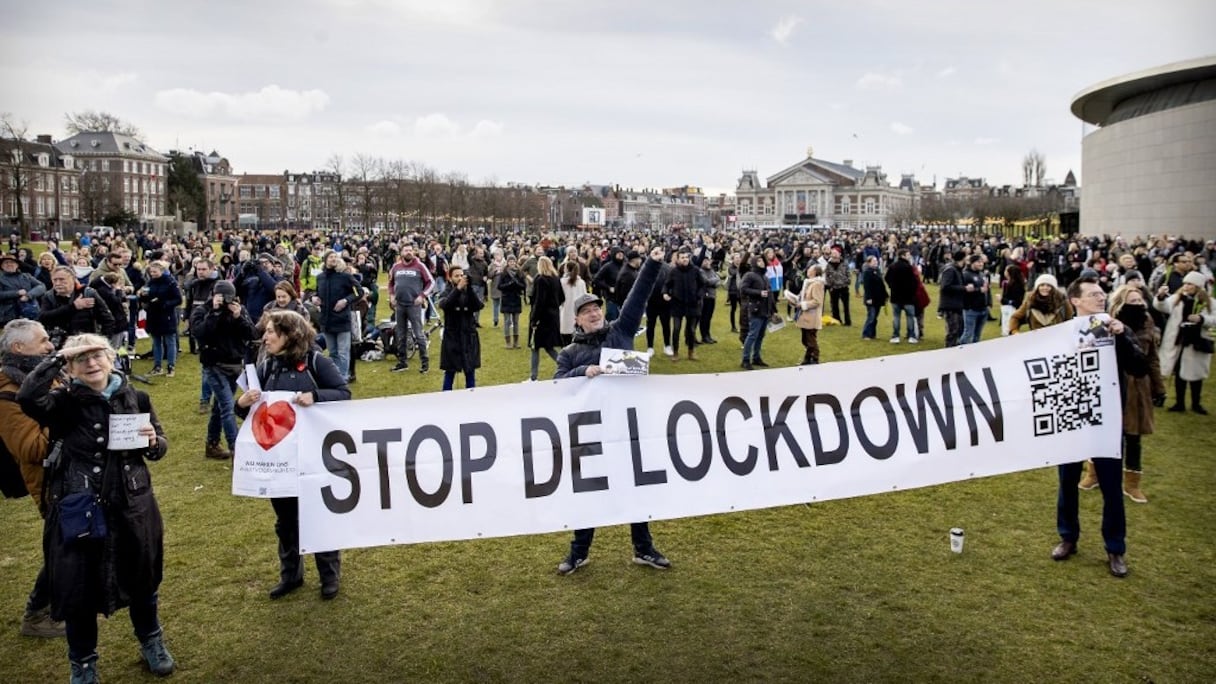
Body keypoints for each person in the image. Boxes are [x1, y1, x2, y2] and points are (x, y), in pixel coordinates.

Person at [18, 334, 174, 680]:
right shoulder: (62, 402)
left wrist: (153, 441)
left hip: (133, 503)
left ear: (110, 358)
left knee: (142, 578)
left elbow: (160, 447)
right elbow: (27, 397)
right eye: (81, 359)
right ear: (71, 368)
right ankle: (83, 662)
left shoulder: (137, 396)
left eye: (96, 356)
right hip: (80, 506)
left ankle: (151, 640)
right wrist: (59, 357)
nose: (91, 364)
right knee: (78, 588)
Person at [553, 246, 670, 575]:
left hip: (630, 426)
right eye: (586, 311)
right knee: (589, 492)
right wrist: (582, 373)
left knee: (635, 486)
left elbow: (638, 294)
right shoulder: (570, 353)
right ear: (576, 319)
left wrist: (653, 263)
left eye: (596, 308)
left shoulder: (621, 330)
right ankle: (579, 552)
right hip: (592, 432)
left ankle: (643, 548)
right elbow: (557, 386)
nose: (594, 313)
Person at [236, 310, 350, 600]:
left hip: (312, 457)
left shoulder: (316, 361)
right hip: (278, 461)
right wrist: (242, 403)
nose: (265, 337)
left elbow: (343, 394)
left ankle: (329, 575)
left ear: (289, 334)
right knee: (285, 521)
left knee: (318, 516)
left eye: (271, 332)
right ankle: (291, 575)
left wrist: (316, 397)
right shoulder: (266, 366)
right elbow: (249, 414)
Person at [1051, 277, 1147, 578]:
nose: (1100, 298)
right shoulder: (1062, 333)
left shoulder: (1115, 329)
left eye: (1102, 294)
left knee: (1110, 486)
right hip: (1071, 418)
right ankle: (1068, 537)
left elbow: (1140, 367)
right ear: (1075, 301)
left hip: (1105, 420)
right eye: (1093, 295)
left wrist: (1121, 337)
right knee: (1068, 481)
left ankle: (1115, 548)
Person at [0, 319, 65, 639]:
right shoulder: (7, 394)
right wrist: (69, 413)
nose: (50, 346)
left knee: (70, 544)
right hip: (49, 482)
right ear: (18, 348)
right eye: (42, 341)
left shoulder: (42, 374)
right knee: (64, 547)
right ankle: (37, 614)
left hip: (70, 473)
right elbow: (31, 447)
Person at [191, 280, 258, 460]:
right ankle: (237, 449)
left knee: (219, 407)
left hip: (235, 364)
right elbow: (199, 333)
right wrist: (214, 312)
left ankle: (212, 443)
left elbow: (252, 334)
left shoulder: (238, 310)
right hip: (214, 364)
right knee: (228, 406)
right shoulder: (202, 311)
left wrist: (239, 318)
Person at [1108, 285, 1161, 503]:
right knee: (1108, 432)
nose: (1138, 304)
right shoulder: (1108, 321)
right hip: (1114, 382)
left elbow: (1152, 358)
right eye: (1133, 300)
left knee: (1133, 435)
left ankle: (1132, 484)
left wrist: (1159, 386)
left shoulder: (1148, 322)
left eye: (1140, 300)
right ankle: (1094, 474)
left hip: (1138, 385)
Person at [1154, 270, 1214, 414]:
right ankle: (1179, 402)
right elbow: (1163, 307)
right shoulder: (1177, 298)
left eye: (1190, 284)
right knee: (1180, 372)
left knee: (1196, 373)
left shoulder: (1209, 302)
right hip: (1179, 339)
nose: (1186, 286)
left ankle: (1196, 403)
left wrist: (1202, 319)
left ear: (1198, 286)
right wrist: (1161, 297)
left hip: (1197, 341)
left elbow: (1214, 318)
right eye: (1185, 283)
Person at [37, 266, 115, 349]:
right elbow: (43, 318)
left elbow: (108, 320)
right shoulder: (49, 296)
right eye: (55, 280)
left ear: (73, 279)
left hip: (85, 344)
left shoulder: (88, 293)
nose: (58, 283)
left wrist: (102, 342)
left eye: (62, 279)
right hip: (59, 345)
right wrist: (73, 307)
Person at [387, 243, 434, 373]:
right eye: (406, 250)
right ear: (401, 253)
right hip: (400, 305)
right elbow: (390, 283)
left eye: (410, 250)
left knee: (419, 334)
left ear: (414, 252)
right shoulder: (395, 267)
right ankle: (402, 362)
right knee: (400, 334)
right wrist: (391, 295)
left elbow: (431, 282)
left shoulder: (420, 266)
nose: (408, 252)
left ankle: (425, 363)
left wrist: (422, 295)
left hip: (414, 305)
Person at [315, 251, 359, 383]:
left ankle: (343, 378)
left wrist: (346, 300)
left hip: (342, 320)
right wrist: (314, 298)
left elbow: (358, 292)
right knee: (332, 352)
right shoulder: (320, 277)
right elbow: (317, 292)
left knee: (343, 352)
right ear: (325, 260)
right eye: (330, 257)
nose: (333, 259)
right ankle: (335, 377)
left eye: (335, 257)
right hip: (327, 320)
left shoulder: (345, 276)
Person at [437, 265, 483, 390]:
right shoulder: (446, 291)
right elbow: (445, 304)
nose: (460, 278)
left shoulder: (468, 292)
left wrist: (469, 290)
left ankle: (471, 397)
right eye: (456, 276)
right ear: (450, 278)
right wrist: (457, 289)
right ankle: (446, 398)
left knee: (470, 372)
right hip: (453, 338)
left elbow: (478, 305)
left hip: (469, 337)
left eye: (462, 275)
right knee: (450, 373)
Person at [138, 261, 183, 377]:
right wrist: (143, 296)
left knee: (170, 341)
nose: (152, 274)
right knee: (156, 341)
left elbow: (178, 299)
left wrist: (165, 304)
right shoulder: (150, 283)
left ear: (162, 271)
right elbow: (146, 298)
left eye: (155, 271)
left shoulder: (170, 282)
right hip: (153, 315)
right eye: (151, 272)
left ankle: (171, 366)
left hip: (167, 315)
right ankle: (157, 366)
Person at [663, 249, 706, 361]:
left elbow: (702, 285)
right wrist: (665, 293)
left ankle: (691, 352)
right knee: (676, 329)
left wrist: (699, 295)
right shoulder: (673, 271)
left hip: (692, 304)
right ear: (678, 259)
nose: (685, 259)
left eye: (686, 257)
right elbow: (667, 285)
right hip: (677, 304)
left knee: (691, 330)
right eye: (682, 257)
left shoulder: (695, 270)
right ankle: (675, 353)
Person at [528, 256, 564, 381]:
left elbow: (539, 301)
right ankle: (564, 363)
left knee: (535, 346)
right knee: (548, 346)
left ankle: (533, 377)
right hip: (553, 315)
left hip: (542, 318)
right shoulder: (555, 278)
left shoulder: (541, 279)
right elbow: (562, 297)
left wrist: (534, 318)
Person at [1008, 274, 1074, 334]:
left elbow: (1070, 321)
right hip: (1036, 341)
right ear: (1037, 287)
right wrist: (1015, 332)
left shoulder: (1062, 301)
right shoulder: (1030, 301)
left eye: (1048, 285)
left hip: (1058, 340)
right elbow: (1015, 317)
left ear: (1053, 288)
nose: (1045, 288)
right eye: (1042, 285)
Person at [739, 254, 770, 370]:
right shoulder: (749, 275)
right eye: (759, 261)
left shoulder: (765, 276)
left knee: (760, 336)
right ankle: (745, 359)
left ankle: (756, 357)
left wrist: (773, 310)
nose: (762, 262)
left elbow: (769, 293)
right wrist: (759, 293)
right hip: (755, 309)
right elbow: (743, 289)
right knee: (752, 335)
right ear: (754, 263)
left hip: (765, 310)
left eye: (762, 260)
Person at [1, 252, 48, 326]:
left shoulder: (26, 276)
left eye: (12, 262)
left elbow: (42, 286)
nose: (9, 264)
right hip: (9, 314)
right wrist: (16, 293)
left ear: (17, 265)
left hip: (30, 311)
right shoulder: (1, 278)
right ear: (2, 266)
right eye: (6, 263)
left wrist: (28, 295)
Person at [884, 249, 919, 344]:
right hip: (908, 296)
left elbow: (886, 278)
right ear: (903, 255)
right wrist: (913, 291)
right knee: (910, 317)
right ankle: (911, 336)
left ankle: (896, 335)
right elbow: (915, 281)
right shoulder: (909, 267)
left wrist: (892, 286)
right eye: (908, 255)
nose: (909, 256)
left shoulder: (892, 266)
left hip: (895, 295)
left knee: (896, 316)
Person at [795, 264, 825, 365]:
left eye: (810, 269)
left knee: (810, 339)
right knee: (805, 339)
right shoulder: (808, 283)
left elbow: (817, 301)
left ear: (815, 272)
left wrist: (803, 304)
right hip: (806, 315)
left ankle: (813, 358)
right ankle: (809, 358)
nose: (808, 270)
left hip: (812, 316)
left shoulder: (817, 284)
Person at [497, 255, 527, 349]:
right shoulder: (503, 274)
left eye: (513, 261)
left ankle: (516, 342)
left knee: (516, 321)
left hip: (516, 298)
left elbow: (524, 285)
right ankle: (508, 342)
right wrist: (509, 284)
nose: (512, 263)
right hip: (506, 298)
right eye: (510, 261)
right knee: (507, 321)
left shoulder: (519, 273)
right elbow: (499, 286)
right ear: (507, 263)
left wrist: (517, 284)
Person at [938, 250, 967, 347]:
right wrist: (964, 288)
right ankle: (949, 350)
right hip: (951, 305)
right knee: (953, 330)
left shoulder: (957, 269)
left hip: (957, 304)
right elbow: (945, 287)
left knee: (959, 329)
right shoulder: (951, 270)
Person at [960, 255, 989, 344]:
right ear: (972, 263)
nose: (981, 264)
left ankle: (975, 353)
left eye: (982, 262)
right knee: (968, 333)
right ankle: (961, 351)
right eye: (978, 262)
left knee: (977, 335)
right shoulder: (966, 275)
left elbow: (986, 289)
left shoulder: (982, 274)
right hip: (971, 309)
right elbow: (963, 290)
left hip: (983, 308)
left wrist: (989, 302)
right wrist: (978, 290)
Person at [558, 260, 588, 347]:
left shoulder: (562, 282)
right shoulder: (581, 282)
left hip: (565, 309)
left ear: (566, 269)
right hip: (577, 309)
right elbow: (584, 296)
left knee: (566, 333)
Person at [860, 255, 887, 341]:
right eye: (874, 261)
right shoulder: (867, 272)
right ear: (869, 263)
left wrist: (885, 295)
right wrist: (868, 298)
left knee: (875, 317)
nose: (876, 262)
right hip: (871, 298)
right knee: (871, 316)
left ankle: (872, 334)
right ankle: (866, 334)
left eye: (876, 261)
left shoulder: (878, 271)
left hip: (878, 298)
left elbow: (882, 284)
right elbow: (867, 287)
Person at [698, 256, 721, 344]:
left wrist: (714, 281)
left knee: (709, 317)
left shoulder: (711, 270)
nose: (707, 263)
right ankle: (704, 336)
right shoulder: (701, 271)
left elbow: (718, 282)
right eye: (705, 261)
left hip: (712, 296)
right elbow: (706, 281)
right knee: (704, 317)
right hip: (705, 297)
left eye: (708, 261)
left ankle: (708, 335)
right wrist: (715, 280)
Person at [1000, 264, 1027, 336]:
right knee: (1006, 328)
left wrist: (1002, 299)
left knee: (1009, 329)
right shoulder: (1008, 283)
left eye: (1006, 270)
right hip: (1007, 308)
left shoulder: (1015, 285)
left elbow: (1016, 301)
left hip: (1011, 309)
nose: (1004, 271)